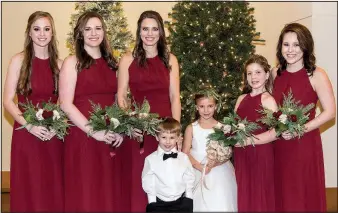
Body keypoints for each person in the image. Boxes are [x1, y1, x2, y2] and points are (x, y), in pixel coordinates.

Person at [59, 11, 123, 212]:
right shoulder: (72, 62)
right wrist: (93, 132)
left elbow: (118, 101)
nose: (93, 33)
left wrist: (120, 128)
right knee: (86, 191)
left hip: (109, 135)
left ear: (104, 31)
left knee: (108, 190)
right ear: (80, 34)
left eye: (98, 28)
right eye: (88, 29)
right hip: (82, 136)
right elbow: (65, 104)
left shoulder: (113, 63)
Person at [117, 10, 181, 211]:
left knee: (165, 182)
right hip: (138, 132)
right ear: (139, 31)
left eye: (155, 29)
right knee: (138, 182)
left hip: (164, 132)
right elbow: (121, 96)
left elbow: (174, 97)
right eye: (145, 29)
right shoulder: (127, 59)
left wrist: (175, 132)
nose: (150, 33)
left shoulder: (170, 60)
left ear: (161, 32)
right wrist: (130, 123)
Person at [3, 11, 63, 212]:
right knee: (29, 187)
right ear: (29, 32)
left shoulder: (60, 65)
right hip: (26, 135)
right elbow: (7, 101)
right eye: (37, 29)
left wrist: (57, 128)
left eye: (47, 29)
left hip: (54, 136)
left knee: (52, 187)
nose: (42, 34)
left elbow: (64, 103)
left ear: (52, 33)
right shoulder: (18, 61)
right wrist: (29, 126)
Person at [272, 23, 336, 212]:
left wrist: (299, 129)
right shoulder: (276, 73)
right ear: (280, 47)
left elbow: (330, 112)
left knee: (302, 195)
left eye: (296, 45)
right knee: (281, 193)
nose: (291, 50)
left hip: (304, 146)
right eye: (286, 44)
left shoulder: (316, 74)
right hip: (279, 145)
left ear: (305, 46)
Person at [233, 54, 278, 212]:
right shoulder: (241, 98)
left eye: (258, 72)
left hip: (260, 154)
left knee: (259, 197)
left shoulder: (268, 100)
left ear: (267, 75)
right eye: (249, 73)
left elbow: (275, 132)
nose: (253, 77)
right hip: (241, 155)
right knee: (243, 194)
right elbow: (233, 126)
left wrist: (248, 140)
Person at [182, 89, 237, 211]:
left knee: (220, 200)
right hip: (197, 169)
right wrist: (200, 167)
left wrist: (214, 164)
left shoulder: (222, 128)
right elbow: (185, 152)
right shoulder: (191, 128)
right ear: (196, 107)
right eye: (202, 106)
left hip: (219, 171)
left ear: (216, 106)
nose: (206, 110)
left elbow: (227, 153)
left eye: (210, 106)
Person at [142, 117, 194, 212]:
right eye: (164, 137)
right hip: (159, 205)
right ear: (157, 137)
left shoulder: (184, 158)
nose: (168, 142)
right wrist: (152, 203)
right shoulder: (150, 159)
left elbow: (189, 177)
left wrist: (189, 198)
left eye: (172, 137)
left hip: (182, 203)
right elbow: (149, 182)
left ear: (178, 138)